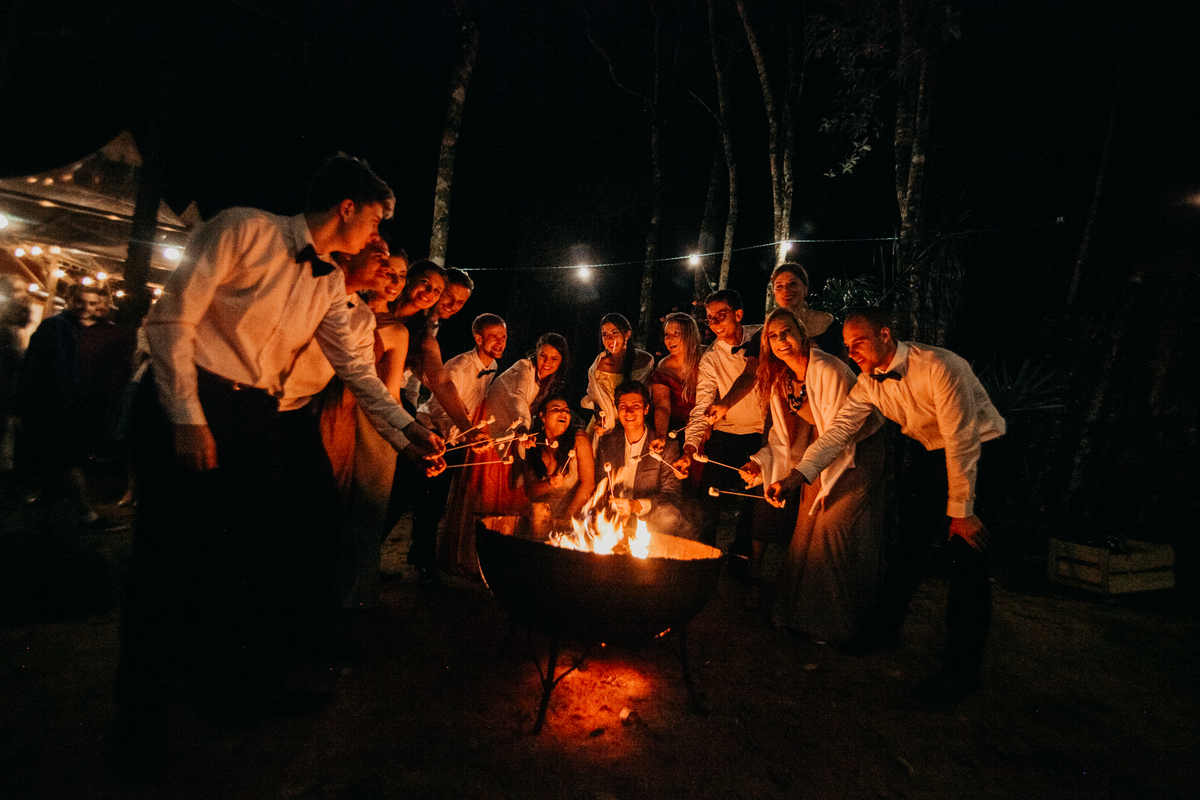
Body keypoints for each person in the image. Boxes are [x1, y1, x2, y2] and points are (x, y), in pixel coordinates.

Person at [117, 155, 444, 762]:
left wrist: (406, 433)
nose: (378, 237)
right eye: (375, 222)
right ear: (346, 207)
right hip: (190, 394)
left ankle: (240, 688)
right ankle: (137, 727)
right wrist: (188, 417)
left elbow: (357, 370)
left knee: (252, 559)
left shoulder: (326, 284)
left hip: (256, 416)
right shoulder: (243, 228)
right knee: (164, 564)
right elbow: (170, 319)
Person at [791, 306, 1006, 704]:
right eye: (846, 346)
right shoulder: (869, 382)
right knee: (907, 547)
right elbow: (839, 429)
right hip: (927, 456)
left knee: (968, 563)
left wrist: (962, 512)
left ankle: (961, 671)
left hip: (980, 454)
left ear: (886, 335)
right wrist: (800, 474)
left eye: (859, 343)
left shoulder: (942, 366)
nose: (851, 352)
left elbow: (961, 439)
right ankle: (883, 630)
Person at [739, 308, 886, 640]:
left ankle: (834, 625)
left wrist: (796, 478)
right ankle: (795, 616)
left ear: (802, 332)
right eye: (773, 336)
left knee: (832, 529)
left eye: (787, 331)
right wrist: (760, 466)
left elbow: (839, 434)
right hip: (818, 455)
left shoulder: (827, 370)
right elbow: (782, 438)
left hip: (857, 451)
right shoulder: (781, 378)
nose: (781, 340)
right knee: (805, 531)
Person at [439, 332, 569, 576]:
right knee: (484, 496)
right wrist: (522, 426)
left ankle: (491, 561)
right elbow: (516, 398)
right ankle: (469, 560)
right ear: (536, 353)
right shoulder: (524, 368)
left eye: (554, 358)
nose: (547, 362)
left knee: (505, 497)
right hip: (491, 433)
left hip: (508, 437)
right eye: (543, 355)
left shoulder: (543, 380)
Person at [408, 312, 506, 584]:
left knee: (437, 502)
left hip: (459, 438)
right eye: (494, 336)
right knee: (428, 502)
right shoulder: (460, 366)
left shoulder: (494, 365)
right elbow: (440, 407)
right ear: (478, 338)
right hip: (433, 434)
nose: (500, 342)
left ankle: (422, 558)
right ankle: (423, 565)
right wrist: (464, 436)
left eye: (503, 336)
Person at [16, 283, 123, 525]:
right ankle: (86, 513)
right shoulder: (55, 327)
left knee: (69, 454)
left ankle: (53, 496)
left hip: (83, 403)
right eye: (80, 301)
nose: (86, 307)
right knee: (68, 455)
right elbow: (35, 367)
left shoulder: (104, 332)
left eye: (92, 303)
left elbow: (115, 368)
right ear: (69, 299)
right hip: (57, 401)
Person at [672, 290, 765, 549]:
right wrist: (689, 450)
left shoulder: (763, 335)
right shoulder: (710, 359)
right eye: (709, 319)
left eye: (720, 316)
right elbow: (702, 406)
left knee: (754, 497)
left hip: (763, 430)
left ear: (738, 315)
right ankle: (703, 548)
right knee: (709, 492)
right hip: (728, 430)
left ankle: (742, 555)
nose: (714, 324)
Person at [595, 380, 693, 539]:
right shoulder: (608, 441)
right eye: (623, 407)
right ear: (617, 410)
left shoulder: (666, 447)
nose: (629, 412)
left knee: (669, 516)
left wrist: (636, 505)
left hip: (650, 515)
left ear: (646, 409)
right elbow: (600, 483)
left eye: (636, 406)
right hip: (614, 515)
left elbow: (671, 494)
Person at [522, 391, 595, 534]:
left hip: (571, 518)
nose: (563, 413)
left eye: (566, 411)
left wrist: (566, 520)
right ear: (542, 416)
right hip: (539, 520)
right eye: (556, 409)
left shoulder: (579, 440)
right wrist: (549, 484)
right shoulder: (531, 443)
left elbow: (588, 485)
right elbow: (530, 491)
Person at [582, 313, 654, 440]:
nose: (610, 339)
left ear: (627, 334)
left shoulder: (645, 361)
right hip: (604, 422)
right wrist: (601, 420)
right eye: (605, 335)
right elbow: (596, 398)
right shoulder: (599, 365)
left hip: (633, 422)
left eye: (615, 333)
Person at [648, 312, 701, 451]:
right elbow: (662, 406)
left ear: (689, 334)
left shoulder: (707, 357)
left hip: (708, 427)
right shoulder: (664, 368)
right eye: (666, 334)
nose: (669, 339)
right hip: (678, 431)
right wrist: (661, 436)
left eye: (676, 333)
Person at [769, 262, 841, 357]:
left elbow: (843, 359)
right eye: (779, 286)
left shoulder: (826, 321)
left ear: (805, 290)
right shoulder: (769, 330)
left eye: (793, 284)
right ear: (774, 294)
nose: (785, 290)